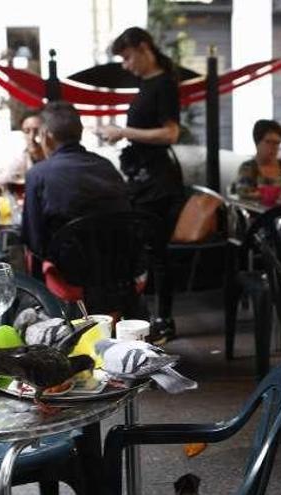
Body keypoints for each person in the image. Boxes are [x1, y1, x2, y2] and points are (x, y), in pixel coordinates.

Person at [99, 26, 184, 340]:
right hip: (144, 177)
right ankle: (145, 317)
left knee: (155, 251)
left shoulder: (164, 84)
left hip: (158, 181)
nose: (125, 64)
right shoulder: (147, 84)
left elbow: (171, 133)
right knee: (144, 248)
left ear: (144, 47)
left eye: (127, 56)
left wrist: (123, 133)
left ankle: (162, 319)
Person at [20, 101, 131, 258]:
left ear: (45, 135)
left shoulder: (37, 175)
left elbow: (33, 241)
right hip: (117, 269)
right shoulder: (107, 167)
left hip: (65, 274)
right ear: (80, 132)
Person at [233, 119, 281, 198]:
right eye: (268, 142)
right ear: (257, 143)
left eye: (277, 143)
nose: (273, 147)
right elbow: (244, 192)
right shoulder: (248, 167)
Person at [0, 111, 45, 188]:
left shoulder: (56, 159)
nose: (31, 137)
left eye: (37, 131)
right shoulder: (21, 160)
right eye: (27, 131)